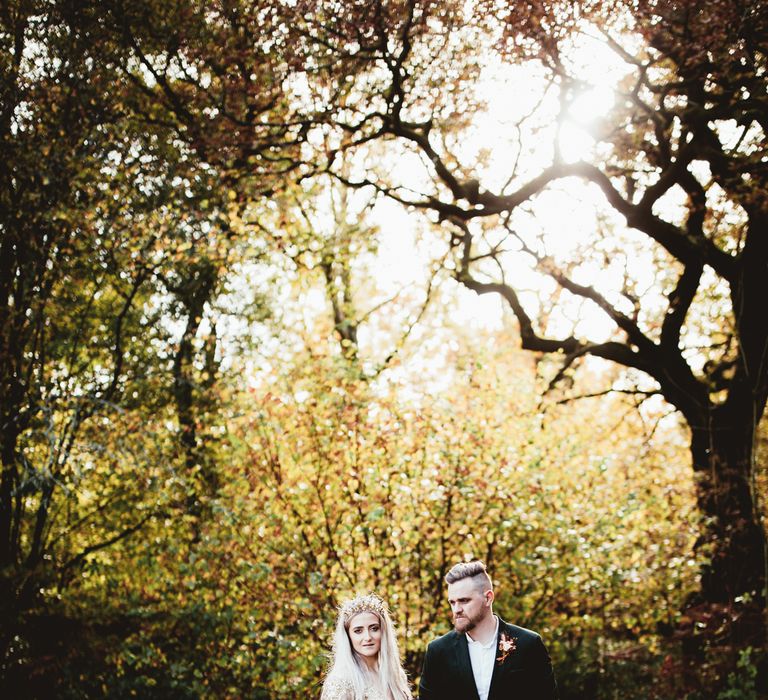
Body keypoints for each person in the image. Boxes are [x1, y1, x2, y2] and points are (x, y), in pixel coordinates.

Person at [418, 560, 558, 700]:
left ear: (488, 598)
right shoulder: (438, 652)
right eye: (452, 602)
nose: (456, 610)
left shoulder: (528, 644)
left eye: (464, 600)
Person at [321, 592, 412, 700]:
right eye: (358, 631)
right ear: (348, 636)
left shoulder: (397, 675)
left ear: (383, 631)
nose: (368, 637)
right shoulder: (341, 681)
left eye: (374, 628)